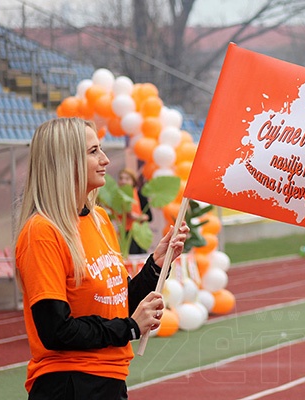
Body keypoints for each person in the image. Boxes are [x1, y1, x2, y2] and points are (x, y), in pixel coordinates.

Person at [15, 117, 189, 400]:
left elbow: (116, 304)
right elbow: (56, 330)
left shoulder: (100, 220)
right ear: (65, 162)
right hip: (70, 385)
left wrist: (157, 264)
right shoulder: (42, 231)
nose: (106, 159)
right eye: (93, 151)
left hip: (109, 381)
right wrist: (130, 327)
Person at [117, 168, 153, 254]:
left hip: (136, 233)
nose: (123, 181)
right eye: (121, 178)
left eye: (127, 179)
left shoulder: (140, 195)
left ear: (133, 181)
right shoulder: (116, 197)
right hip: (122, 234)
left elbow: (149, 217)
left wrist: (135, 216)